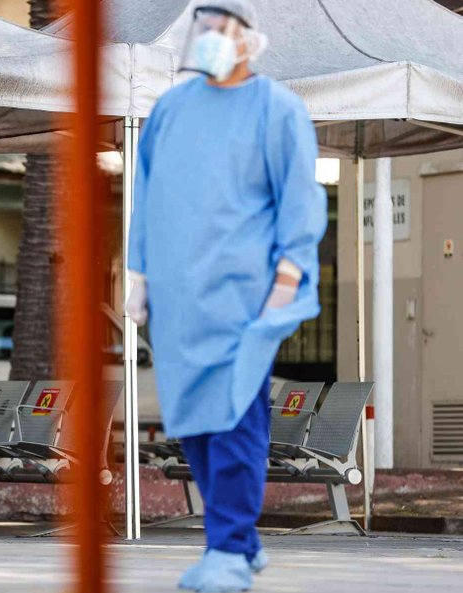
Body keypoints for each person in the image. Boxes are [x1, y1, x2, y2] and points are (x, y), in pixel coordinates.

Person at [125, 1, 326, 591]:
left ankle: (230, 548)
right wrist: (139, 278)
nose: (209, 37)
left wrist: (287, 280)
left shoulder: (278, 111)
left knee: (235, 418)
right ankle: (240, 536)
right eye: (202, 27)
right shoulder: (170, 111)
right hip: (180, 300)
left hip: (246, 298)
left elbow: (299, 202)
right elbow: (147, 195)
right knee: (195, 422)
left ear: (249, 40)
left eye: (221, 28)